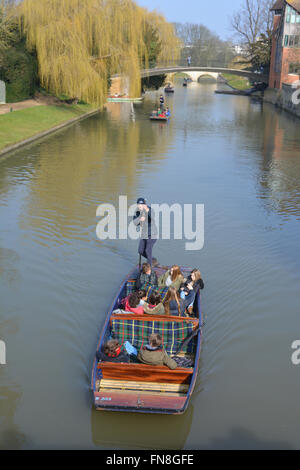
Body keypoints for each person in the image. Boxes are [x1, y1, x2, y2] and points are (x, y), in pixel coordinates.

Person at [133, 198, 158, 267]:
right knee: (140, 251)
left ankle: (149, 269)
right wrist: (139, 219)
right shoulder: (137, 212)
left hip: (152, 234)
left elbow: (152, 217)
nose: (140, 206)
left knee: (147, 250)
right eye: (139, 204)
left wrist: (147, 211)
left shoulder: (149, 209)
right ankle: (152, 259)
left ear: (145, 205)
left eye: (142, 204)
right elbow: (135, 222)